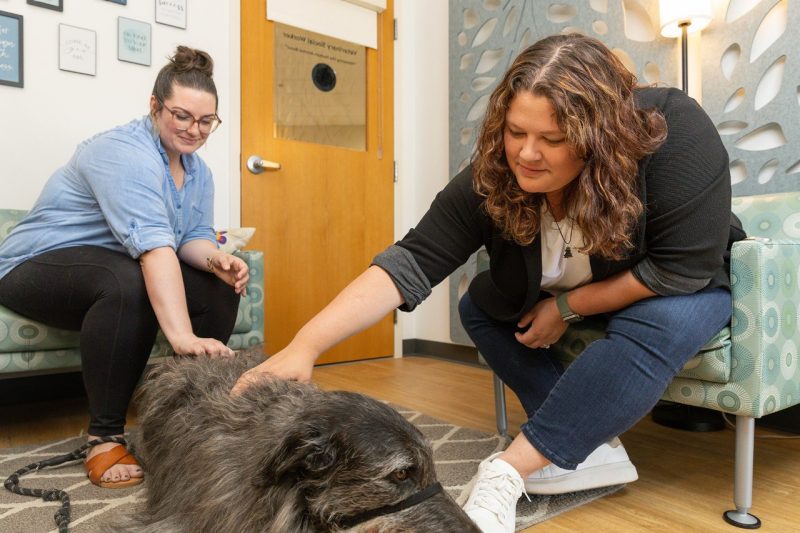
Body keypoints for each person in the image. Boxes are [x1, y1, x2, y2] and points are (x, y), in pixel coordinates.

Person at [231, 33, 743, 531]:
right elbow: (411, 260)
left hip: (677, 287)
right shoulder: (497, 171)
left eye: (553, 140)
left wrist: (567, 308)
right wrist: (306, 346)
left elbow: (677, 269)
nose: (527, 154)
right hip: (586, 290)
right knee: (478, 302)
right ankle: (586, 443)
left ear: (600, 139)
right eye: (516, 132)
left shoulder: (672, 129)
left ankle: (509, 471)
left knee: (665, 316)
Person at [0, 46, 249, 489]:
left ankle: (182, 423)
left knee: (218, 286)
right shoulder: (122, 152)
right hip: (33, 267)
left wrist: (216, 259)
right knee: (128, 279)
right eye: (182, 116)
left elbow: (190, 237)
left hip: (111, 268)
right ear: (155, 107)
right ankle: (104, 436)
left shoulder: (199, 172)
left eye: (206, 121)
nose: (195, 130)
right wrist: (181, 336)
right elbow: (154, 250)